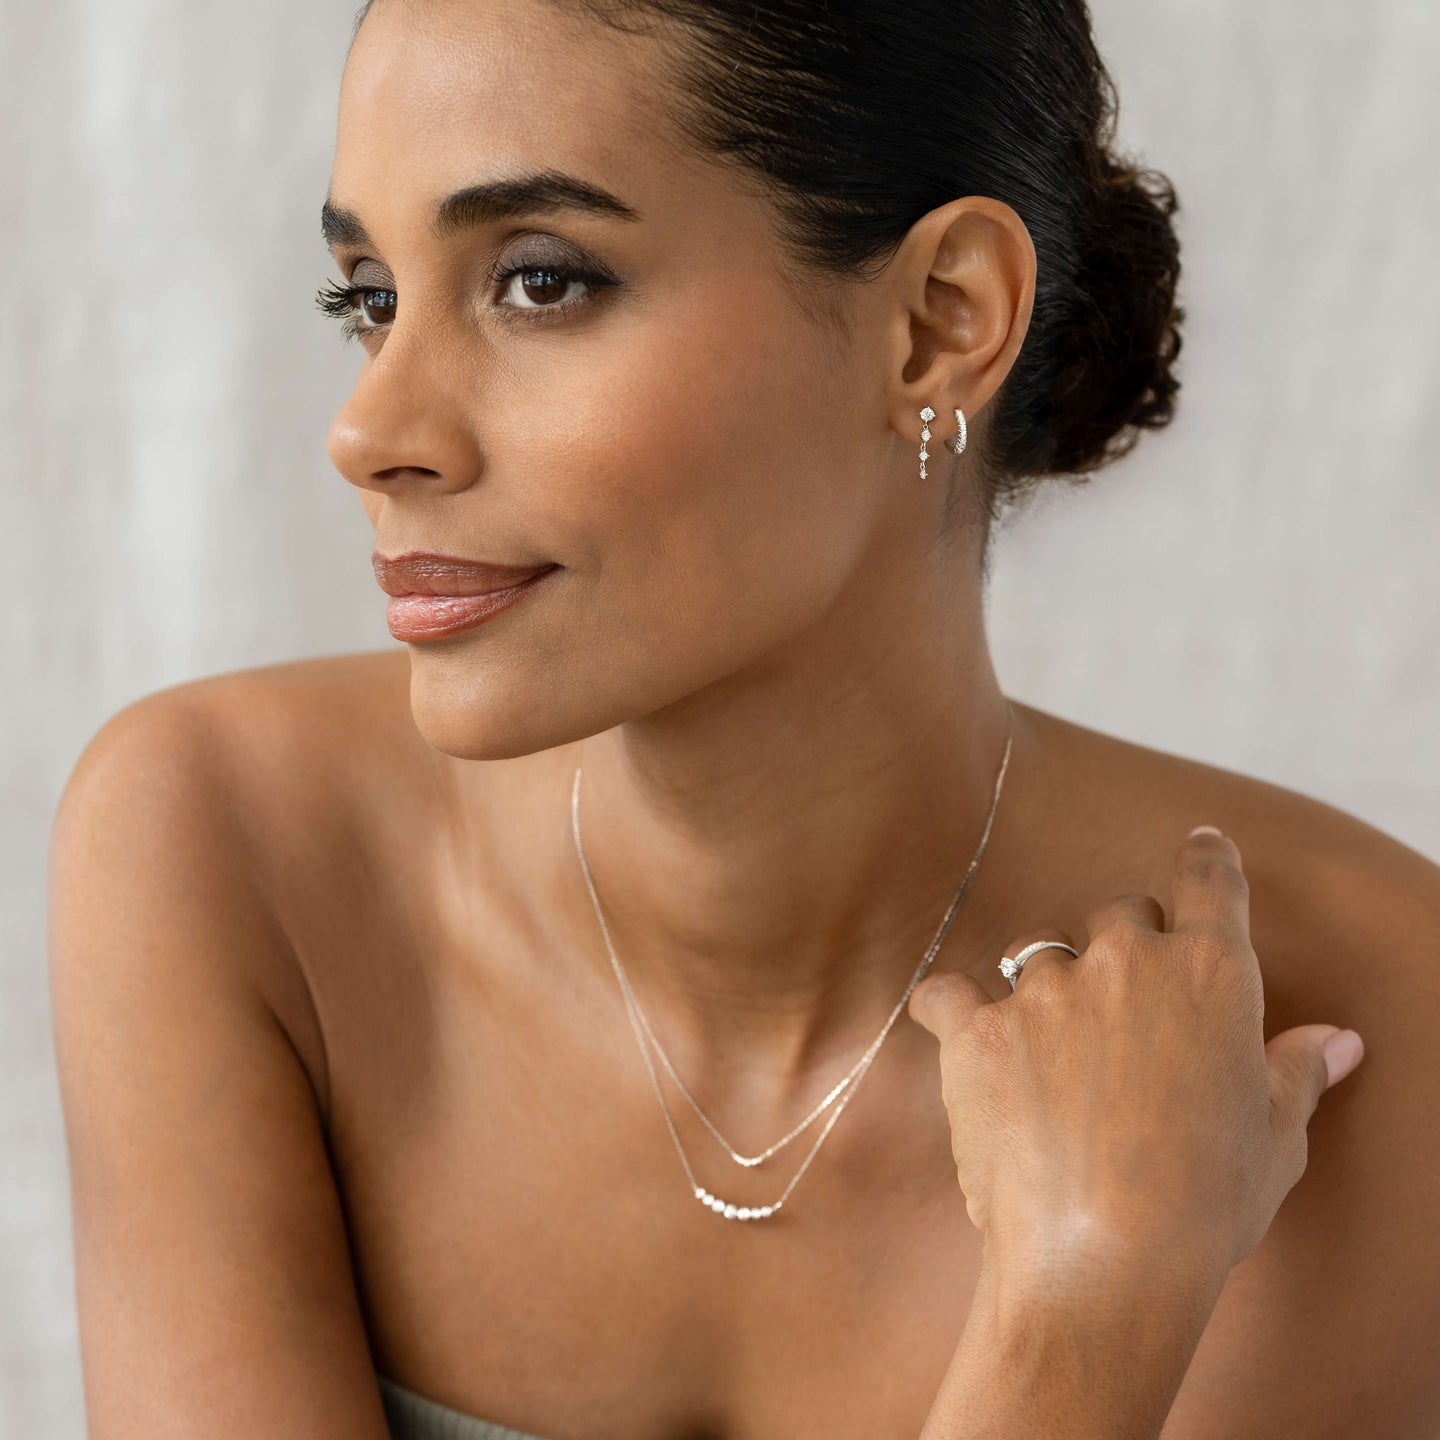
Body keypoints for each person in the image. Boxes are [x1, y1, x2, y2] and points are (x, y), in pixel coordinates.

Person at [47, 0, 1440, 1436]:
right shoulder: (226, 848)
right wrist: (1087, 1309)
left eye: (538, 282)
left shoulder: (1364, 1023)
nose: (369, 433)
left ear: (941, 320)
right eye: (370, 297)